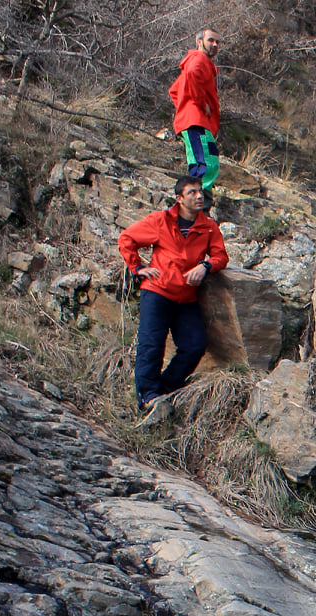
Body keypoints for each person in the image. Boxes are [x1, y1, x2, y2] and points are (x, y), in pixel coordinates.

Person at [117, 175, 228, 410]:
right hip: (157, 292)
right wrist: (138, 268)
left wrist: (205, 266)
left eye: (200, 191)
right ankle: (147, 397)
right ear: (179, 199)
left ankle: (165, 390)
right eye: (192, 193)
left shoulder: (208, 226)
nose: (199, 196)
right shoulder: (160, 221)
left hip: (186, 297)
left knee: (195, 345)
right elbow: (126, 238)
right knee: (151, 345)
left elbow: (221, 256)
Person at [169, 29, 222, 211]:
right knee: (206, 164)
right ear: (199, 41)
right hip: (197, 122)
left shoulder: (195, 62)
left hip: (195, 122)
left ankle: (196, 205)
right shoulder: (199, 60)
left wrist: (185, 107)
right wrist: (199, 103)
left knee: (204, 162)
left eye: (217, 42)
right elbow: (192, 74)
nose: (215, 45)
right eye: (211, 40)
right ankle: (198, 208)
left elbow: (175, 91)